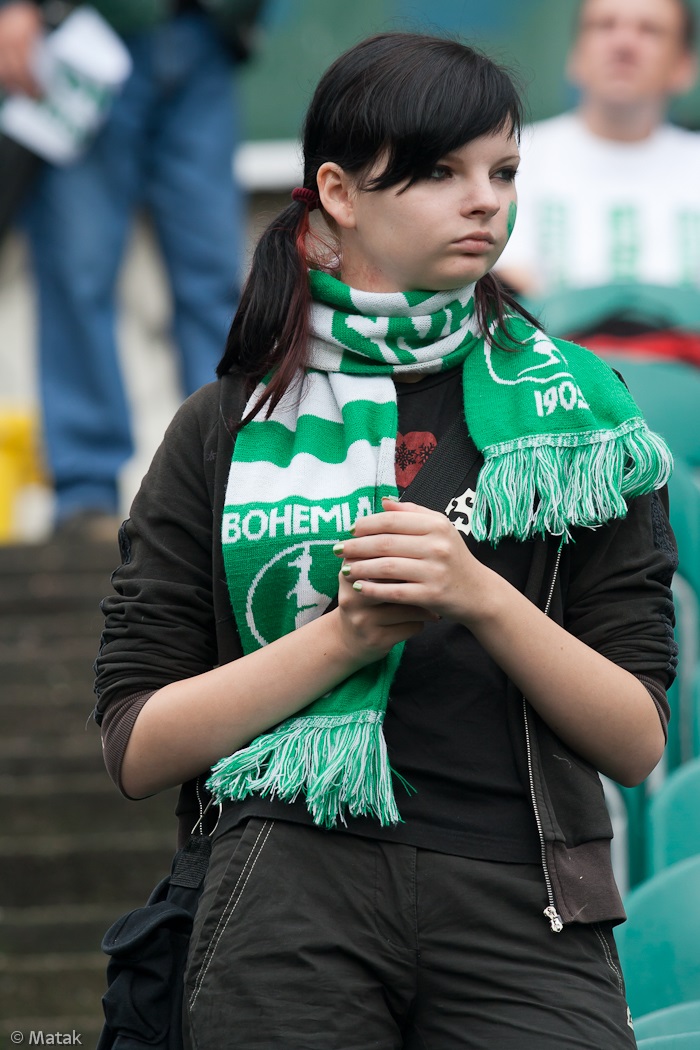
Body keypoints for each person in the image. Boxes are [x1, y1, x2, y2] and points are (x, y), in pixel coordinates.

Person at [94, 31, 678, 1049]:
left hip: (523, 891)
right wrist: (345, 638)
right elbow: (136, 748)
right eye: (441, 172)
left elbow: (636, 738)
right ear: (339, 191)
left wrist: (481, 595)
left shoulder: (585, 417)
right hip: (283, 882)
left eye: (503, 171)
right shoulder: (224, 425)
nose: (485, 201)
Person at [0, 0, 262, 535]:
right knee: (78, 274)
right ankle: (86, 491)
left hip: (204, 33)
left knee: (215, 280)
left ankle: (234, 478)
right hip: (82, 35)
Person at [497, 0, 700, 297]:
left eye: (650, 30)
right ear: (575, 56)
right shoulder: (509, 157)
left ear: (684, 67)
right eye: (605, 26)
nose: (624, 43)